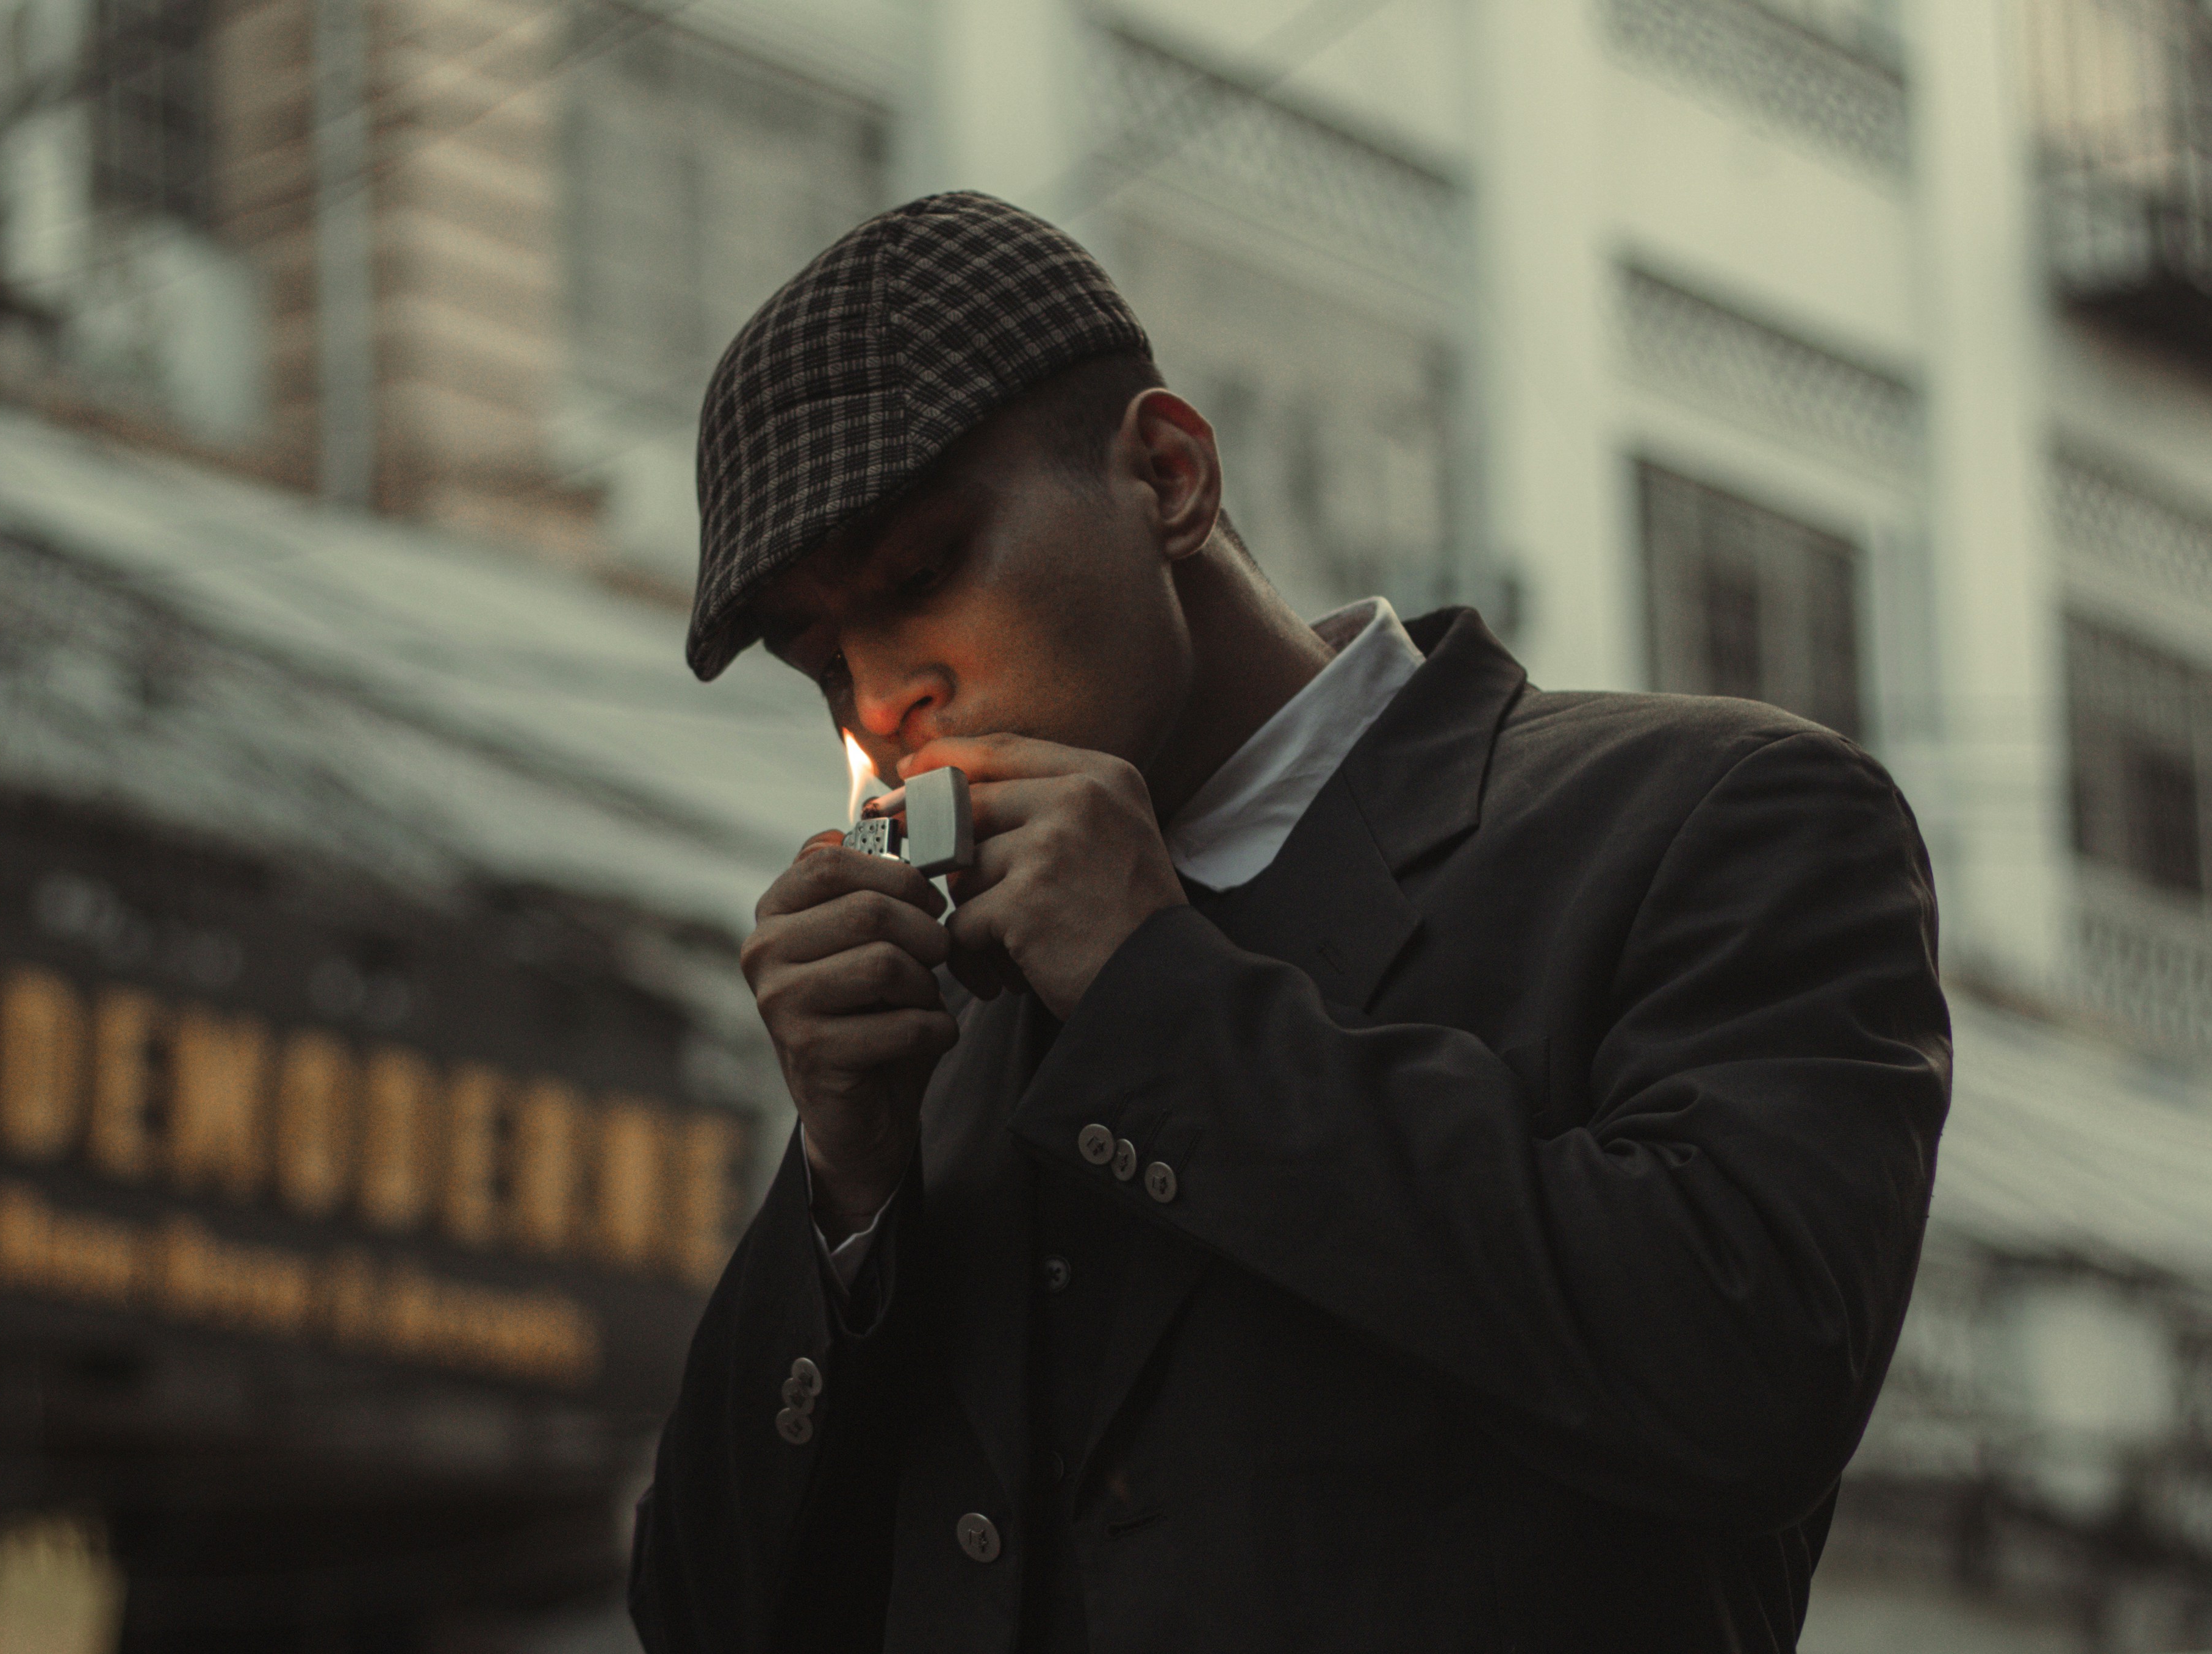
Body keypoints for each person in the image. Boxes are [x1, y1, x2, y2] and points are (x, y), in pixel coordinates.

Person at [628, 192, 1949, 1653]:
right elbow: (701, 1619)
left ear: (1167, 475)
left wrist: (1158, 999)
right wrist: (845, 1188)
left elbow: (1746, 1384)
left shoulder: (1704, 821)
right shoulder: (946, 1030)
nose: (882, 704)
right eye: (822, 665)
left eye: (922, 574)